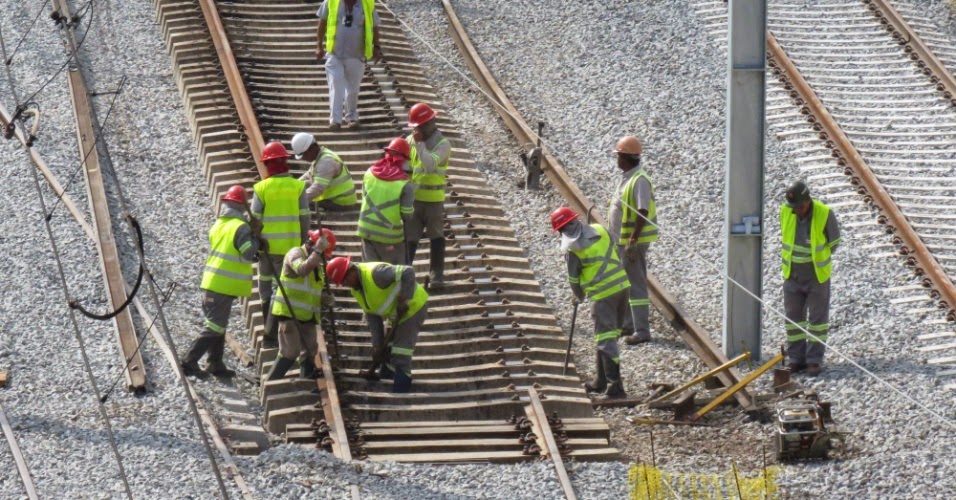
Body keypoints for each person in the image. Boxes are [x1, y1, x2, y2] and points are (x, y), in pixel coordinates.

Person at [182, 185, 263, 378]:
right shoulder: (240, 227)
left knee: (219, 324)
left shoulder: (219, 224)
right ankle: (189, 361)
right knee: (215, 326)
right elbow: (248, 252)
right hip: (223, 284)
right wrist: (256, 238)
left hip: (213, 280)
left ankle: (215, 363)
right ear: (242, 206)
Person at [551, 207, 630, 399]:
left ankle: (615, 387)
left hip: (603, 295)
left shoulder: (572, 249)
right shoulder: (600, 229)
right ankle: (600, 381)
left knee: (605, 339)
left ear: (563, 229)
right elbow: (614, 249)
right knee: (608, 337)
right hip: (622, 286)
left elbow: (574, 279)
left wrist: (578, 296)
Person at [325, 256, 428, 393]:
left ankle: (402, 390)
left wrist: (405, 300)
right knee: (385, 350)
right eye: (341, 283)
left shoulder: (376, 273)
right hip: (395, 314)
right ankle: (387, 375)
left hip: (413, 307)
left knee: (401, 352)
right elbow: (372, 315)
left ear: (351, 270)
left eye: (345, 279)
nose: (345, 284)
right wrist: (377, 346)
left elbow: (408, 272)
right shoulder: (356, 290)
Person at [250, 142, 311, 343]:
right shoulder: (297, 187)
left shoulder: (261, 188)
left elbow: (254, 220)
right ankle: (273, 332)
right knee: (281, 289)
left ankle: (269, 337)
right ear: (285, 162)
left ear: (267, 165)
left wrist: (256, 243)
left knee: (265, 287)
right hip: (289, 251)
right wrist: (304, 245)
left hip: (266, 249)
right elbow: (304, 218)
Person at [780, 181, 840, 376]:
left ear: (807, 201)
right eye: (794, 207)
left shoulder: (824, 213)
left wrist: (817, 258)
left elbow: (834, 242)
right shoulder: (786, 211)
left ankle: (814, 360)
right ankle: (795, 359)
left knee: (817, 321)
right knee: (793, 319)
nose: (796, 210)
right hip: (792, 274)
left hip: (816, 276)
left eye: (799, 206)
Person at [266, 229, 337, 380]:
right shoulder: (295, 254)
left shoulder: (317, 264)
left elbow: (311, 290)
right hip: (289, 312)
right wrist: (318, 250)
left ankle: (305, 379)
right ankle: (271, 381)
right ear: (313, 245)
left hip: (307, 315)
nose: (324, 258)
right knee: (290, 351)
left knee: (310, 350)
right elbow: (301, 270)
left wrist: (325, 298)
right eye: (323, 253)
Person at [607, 135, 657, 345]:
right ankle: (628, 325)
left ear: (626, 157)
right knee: (625, 284)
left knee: (635, 285)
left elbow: (642, 211)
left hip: (632, 243)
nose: (616, 159)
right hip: (624, 241)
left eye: (618, 155)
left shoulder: (640, 180)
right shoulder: (629, 177)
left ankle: (642, 331)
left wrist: (634, 239)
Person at [404, 103, 451, 287]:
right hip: (415, 199)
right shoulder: (411, 141)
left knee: (436, 237)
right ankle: (405, 274)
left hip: (433, 200)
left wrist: (420, 145)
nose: (416, 130)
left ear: (428, 125)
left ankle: (436, 277)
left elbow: (430, 164)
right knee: (410, 238)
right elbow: (406, 168)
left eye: (418, 126)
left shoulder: (443, 144)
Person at [315, 0, 381, 129]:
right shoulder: (331, 2)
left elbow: (374, 26)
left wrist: (377, 47)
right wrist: (319, 46)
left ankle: (351, 117)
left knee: (352, 89)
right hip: (335, 54)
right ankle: (335, 120)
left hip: (356, 55)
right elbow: (322, 22)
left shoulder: (367, 4)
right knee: (336, 85)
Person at [357, 138, 415, 265]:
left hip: (366, 231)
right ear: (403, 159)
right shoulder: (405, 184)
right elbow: (406, 215)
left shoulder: (369, 173)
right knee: (394, 274)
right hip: (390, 237)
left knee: (369, 271)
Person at [292, 132, 358, 211]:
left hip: (342, 202)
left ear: (312, 148)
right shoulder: (320, 157)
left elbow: (317, 188)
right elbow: (308, 175)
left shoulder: (326, 162)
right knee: (304, 185)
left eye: (304, 155)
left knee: (304, 204)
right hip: (337, 199)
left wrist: (295, 201)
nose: (304, 159)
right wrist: (292, 186)